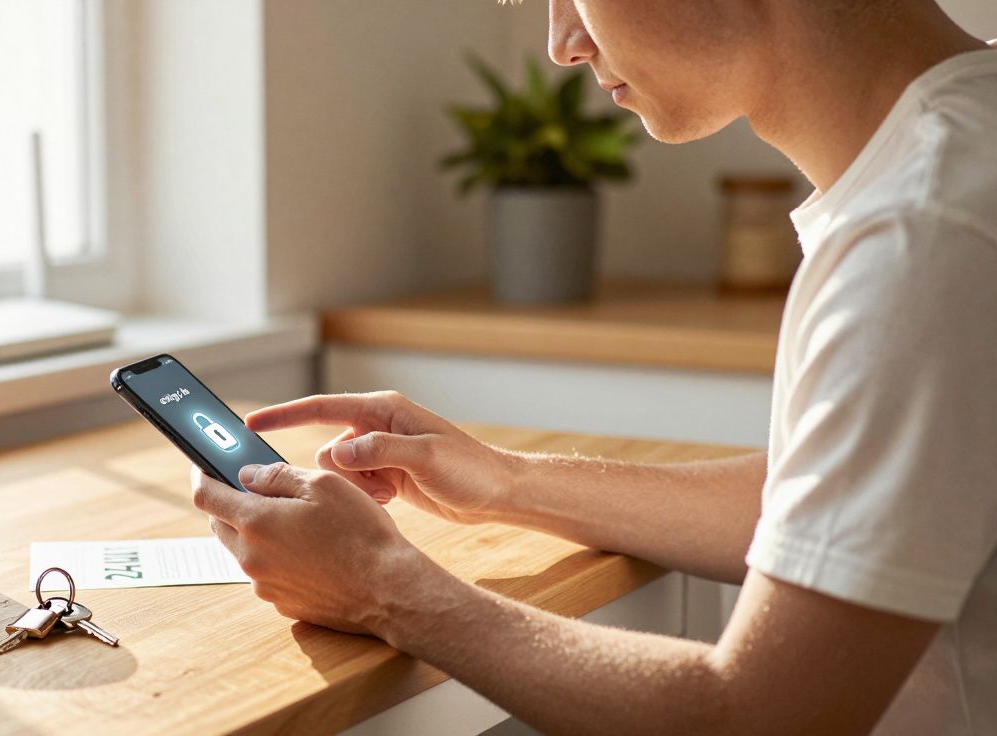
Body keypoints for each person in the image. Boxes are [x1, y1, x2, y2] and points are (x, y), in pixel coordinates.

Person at [191, 1, 997, 732]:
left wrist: (382, 586)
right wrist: (505, 482)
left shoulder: (922, 234)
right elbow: (843, 509)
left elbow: (758, 714)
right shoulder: (967, 137)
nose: (562, 44)